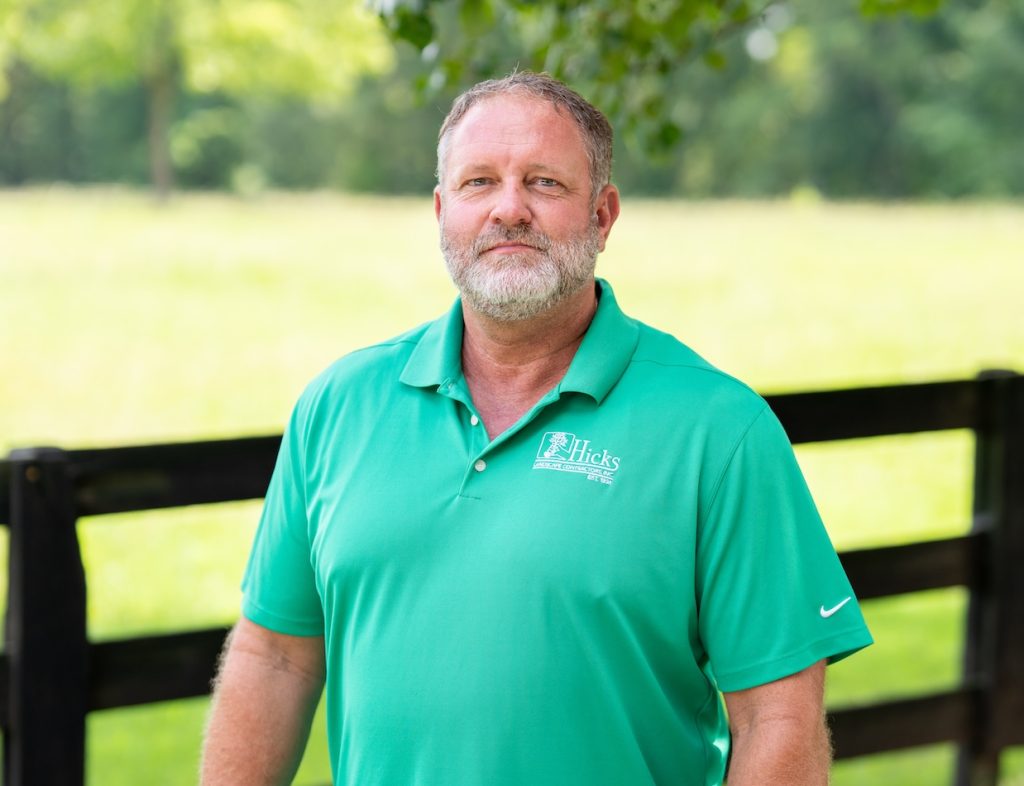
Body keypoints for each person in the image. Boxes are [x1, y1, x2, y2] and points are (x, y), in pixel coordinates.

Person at [200, 72, 872, 786]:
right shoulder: (338, 406)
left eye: (545, 183)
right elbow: (274, 657)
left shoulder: (719, 430)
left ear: (603, 216)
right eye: (479, 183)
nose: (509, 209)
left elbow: (778, 721)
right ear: (441, 211)